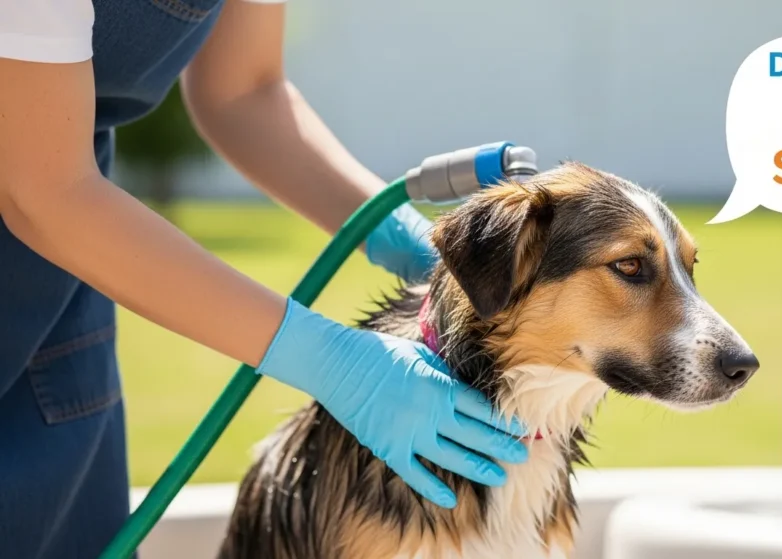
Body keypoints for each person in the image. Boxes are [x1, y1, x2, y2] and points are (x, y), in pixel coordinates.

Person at [0, 1, 529, 557]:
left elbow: (243, 92)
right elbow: (43, 193)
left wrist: (396, 233)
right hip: (54, 208)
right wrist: (331, 361)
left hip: (66, 263)